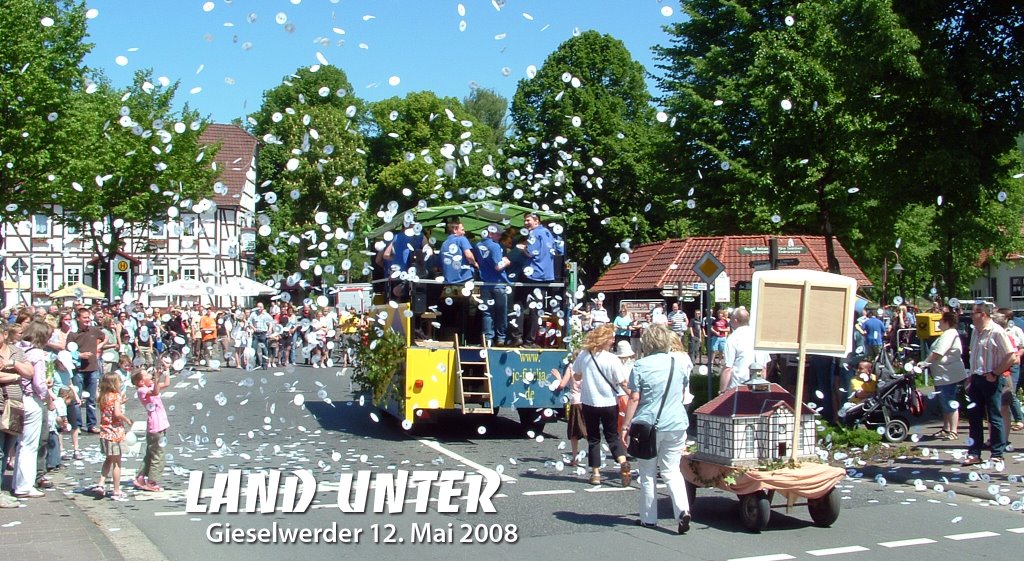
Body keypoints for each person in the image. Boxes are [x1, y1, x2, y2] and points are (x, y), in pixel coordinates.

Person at [620, 324, 693, 534]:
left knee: (648, 472)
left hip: (649, 425)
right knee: (672, 470)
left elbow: (634, 398)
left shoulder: (641, 365)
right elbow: (681, 392)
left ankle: (648, 518)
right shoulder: (679, 364)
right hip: (677, 423)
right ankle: (683, 510)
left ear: (648, 342)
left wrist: (626, 426)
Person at [571, 324, 630, 486]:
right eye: (611, 338)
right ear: (604, 340)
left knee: (594, 438)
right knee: (612, 436)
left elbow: (576, 376)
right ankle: (622, 461)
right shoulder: (612, 359)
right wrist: (632, 394)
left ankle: (595, 473)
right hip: (610, 402)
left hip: (590, 402)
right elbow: (622, 382)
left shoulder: (584, 355)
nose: (613, 341)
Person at [964, 302, 1016, 468]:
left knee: (994, 416)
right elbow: (974, 355)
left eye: (974, 313)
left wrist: (995, 373)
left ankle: (997, 454)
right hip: (977, 377)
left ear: (983, 314)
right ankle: (974, 453)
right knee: (974, 417)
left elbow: (1011, 356)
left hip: (991, 378)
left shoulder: (996, 331)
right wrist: (970, 376)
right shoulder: (975, 331)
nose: (971, 316)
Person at [12, 320, 51, 498]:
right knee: (30, 445)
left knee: (21, 445)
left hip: (16, 397)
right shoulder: (37, 353)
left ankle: (18, 482)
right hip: (31, 399)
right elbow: (39, 383)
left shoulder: (18, 348)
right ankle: (25, 485)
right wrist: (47, 397)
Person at [0, 320, 36, 505]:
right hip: (0, 405)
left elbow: (30, 372)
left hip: (15, 405)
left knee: (7, 448)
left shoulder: (16, 352)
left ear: (5, 335)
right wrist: (15, 375)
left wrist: (13, 364)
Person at [921, 311, 967, 440]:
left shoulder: (949, 334)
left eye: (940, 320)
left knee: (949, 401)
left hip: (948, 374)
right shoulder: (946, 334)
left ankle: (953, 431)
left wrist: (925, 363)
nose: (938, 323)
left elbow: (938, 353)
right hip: (942, 375)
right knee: (944, 402)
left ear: (947, 322)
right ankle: (946, 428)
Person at [521, 213, 559, 347]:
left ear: (536, 221)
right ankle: (531, 340)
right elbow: (558, 250)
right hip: (546, 276)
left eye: (528, 220)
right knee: (537, 309)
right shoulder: (549, 233)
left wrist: (522, 249)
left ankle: (527, 340)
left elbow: (530, 252)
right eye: (524, 220)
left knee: (524, 307)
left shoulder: (534, 234)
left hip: (534, 275)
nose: (525, 223)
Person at [94, 372, 132, 501]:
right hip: (115, 433)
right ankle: (116, 490)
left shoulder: (102, 396)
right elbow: (116, 413)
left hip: (104, 432)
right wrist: (126, 419)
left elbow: (108, 410)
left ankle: (101, 483)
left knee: (108, 459)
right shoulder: (116, 396)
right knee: (117, 463)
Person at [440, 220, 478, 344]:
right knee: (469, 308)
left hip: (448, 284)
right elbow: (469, 255)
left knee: (451, 311)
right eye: (462, 229)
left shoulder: (444, 243)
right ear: (455, 230)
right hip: (464, 281)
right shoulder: (462, 239)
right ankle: (467, 338)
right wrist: (475, 263)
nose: (464, 231)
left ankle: (450, 338)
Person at [68, 307, 105, 434]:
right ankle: (77, 425)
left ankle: (92, 424)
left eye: (88, 317)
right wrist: (79, 355)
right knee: (77, 399)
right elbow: (68, 350)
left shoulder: (94, 330)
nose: (87, 320)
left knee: (91, 399)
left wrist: (99, 346)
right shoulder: (73, 334)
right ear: (78, 319)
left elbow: (104, 337)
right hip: (79, 369)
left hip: (92, 368)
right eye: (84, 317)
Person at [132, 367, 170, 491]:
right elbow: (154, 393)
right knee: (158, 454)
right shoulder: (142, 390)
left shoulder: (150, 386)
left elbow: (166, 384)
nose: (150, 375)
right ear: (141, 382)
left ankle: (141, 477)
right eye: (147, 375)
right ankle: (151, 482)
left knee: (150, 454)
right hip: (156, 426)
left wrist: (167, 371)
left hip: (160, 424)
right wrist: (157, 376)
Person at [474, 224, 511, 346]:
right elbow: (498, 266)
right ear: (490, 233)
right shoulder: (495, 246)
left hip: (485, 283)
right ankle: (501, 338)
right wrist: (506, 262)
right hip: (498, 283)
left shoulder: (478, 246)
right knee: (501, 312)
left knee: (487, 312)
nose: (500, 236)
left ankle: (488, 339)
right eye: (498, 234)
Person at [719, 307, 772, 392]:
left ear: (735, 320)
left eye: (731, 318)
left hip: (738, 386)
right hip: (758, 386)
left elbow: (728, 368)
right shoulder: (758, 337)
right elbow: (764, 367)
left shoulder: (733, 338)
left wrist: (722, 391)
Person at [996, 308, 1024, 431]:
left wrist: (1017, 355)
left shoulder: (1015, 330)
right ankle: (1007, 419)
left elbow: (1022, 347)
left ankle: (1019, 419)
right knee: (1005, 394)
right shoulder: (996, 330)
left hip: (1013, 364)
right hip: (1002, 364)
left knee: (1010, 392)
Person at [553, 360, 585, 466]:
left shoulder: (571, 367)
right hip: (588, 401)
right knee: (589, 431)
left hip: (576, 402)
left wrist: (558, 376)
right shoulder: (587, 365)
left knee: (574, 432)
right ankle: (595, 459)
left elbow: (562, 385)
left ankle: (575, 458)